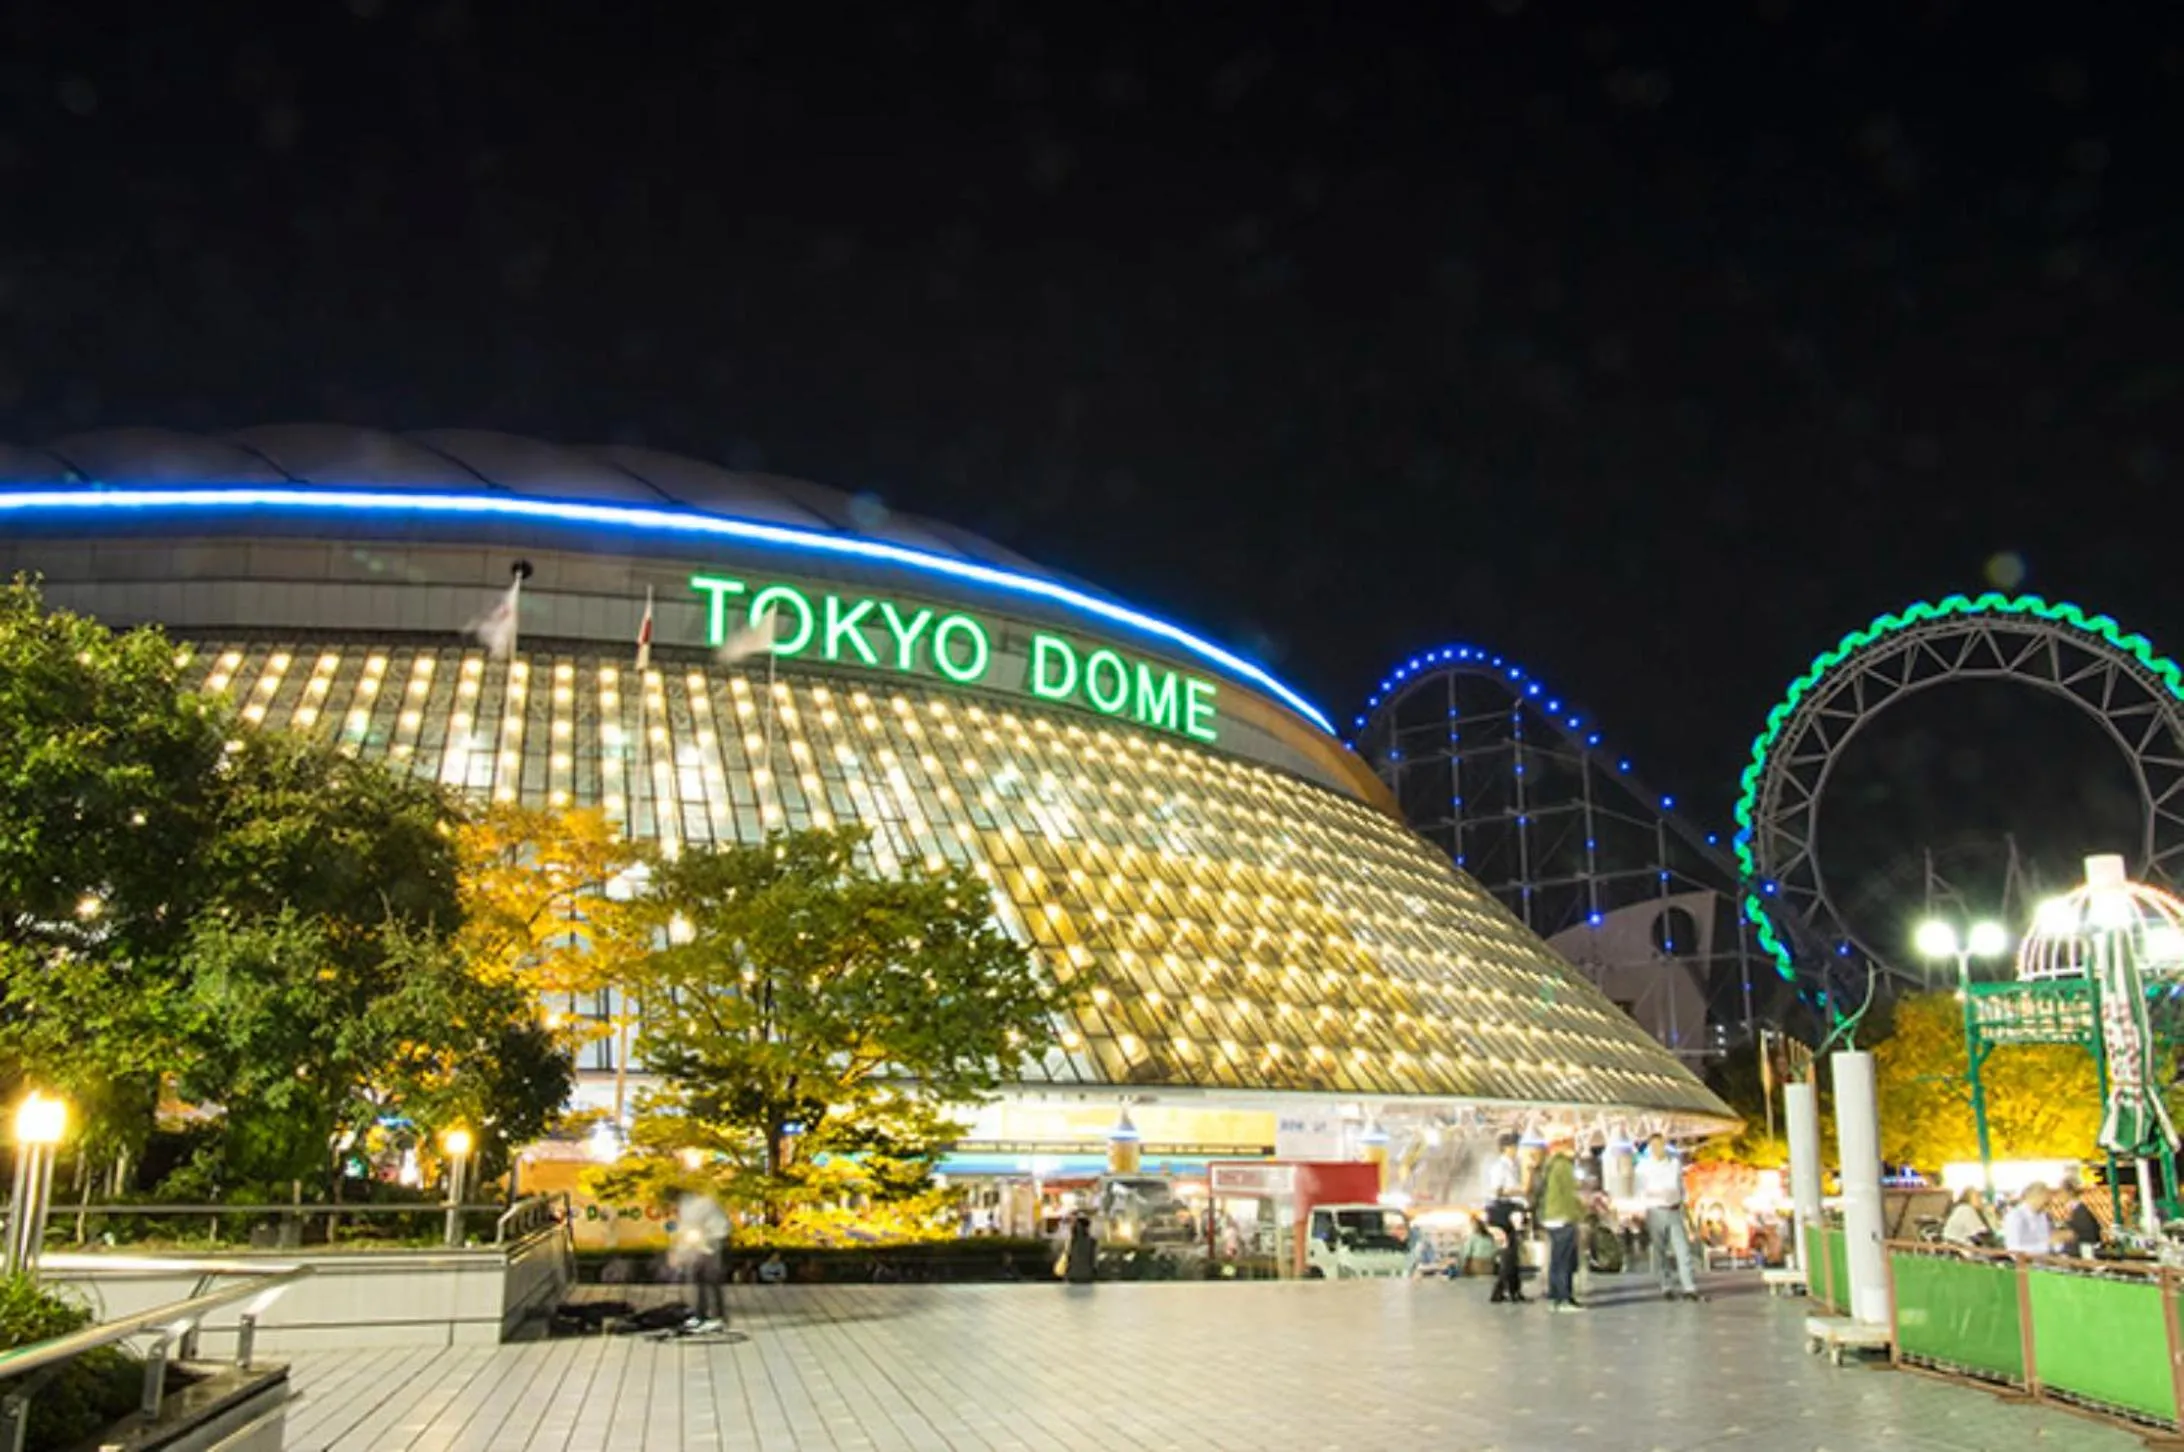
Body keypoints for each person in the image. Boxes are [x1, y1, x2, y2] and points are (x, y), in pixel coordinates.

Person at [1637, 1133, 1703, 1302]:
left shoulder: (1674, 1164)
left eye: (1659, 1145)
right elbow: (1639, 1190)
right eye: (1653, 1146)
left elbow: (1681, 1186)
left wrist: (1684, 1203)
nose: (1657, 1149)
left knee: (1682, 1249)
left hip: (1674, 1209)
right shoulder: (1643, 1167)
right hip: (1656, 1209)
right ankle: (1666, 1285)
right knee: (1660, 1251)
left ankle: (1689, 1287)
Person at [1535, 1133, 1584, 1313]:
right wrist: (1581, 1214)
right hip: (1563, 1216)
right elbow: (1570, 1195)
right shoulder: (1563, 1166)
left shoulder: (1550, 1165)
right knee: (1565, 1260)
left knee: (1556, 1259)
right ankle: (1564, 1298)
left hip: (1551, 1217)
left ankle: (1555, 1297)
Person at [670, 1193, 730, 1333]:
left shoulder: (693, 1206)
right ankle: (700, 1314)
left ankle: (718, 1317)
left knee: (711, 1278)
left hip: (714, 1239)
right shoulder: (687, 1205)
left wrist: (679, 1253)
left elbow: (689, 1228)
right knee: (698, 1278)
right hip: (704, 1241)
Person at [1484, 1133, 1530, 1304]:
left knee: (1513, 1253)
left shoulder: (1513, 1165)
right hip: (1502, 1210)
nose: (1516, 1150)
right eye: (1513, 1147)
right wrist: (1519, 1191)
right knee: (1508, 1253)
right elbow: (1497, 1191)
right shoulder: (1500, 1167)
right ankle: (1501, 1291)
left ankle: (1512, 1290)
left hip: (1512, 1209)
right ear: (1506, 1148)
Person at [2002, 1183, 2056, 1255]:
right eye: (2046, 1202)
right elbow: (2014, 1249)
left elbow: (2045, 1240)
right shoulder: (2015, 1216)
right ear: (2035, 1197)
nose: (2048, 1205)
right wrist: (2047, 1244)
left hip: (2047, 1261)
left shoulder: (2042, 1216)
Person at [2063, 1184, 2104, 1256]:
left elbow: (2088, 1233)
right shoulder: (2080, 1209)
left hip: (2084, 1249)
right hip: (2083, 1248)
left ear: (2069, 1193)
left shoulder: (2080, 1211)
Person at [1063, 1211, 1098, 1285]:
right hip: (1087, 1276)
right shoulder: (1092, 1241)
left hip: (1073, 1276)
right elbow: (1093, 1260)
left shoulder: (1071, 1241)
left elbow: (1067, 1257)